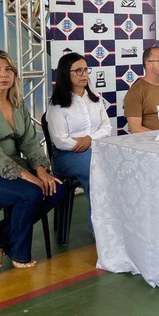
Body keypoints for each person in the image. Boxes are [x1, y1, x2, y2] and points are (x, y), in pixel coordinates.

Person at [0, 50, 67, 270]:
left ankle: (0, 237)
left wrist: (41, 170)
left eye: (8, 70)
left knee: (57, 187)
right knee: (31, 193)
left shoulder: (17, 104)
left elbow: (30, 142)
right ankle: (19, 252)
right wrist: (26, 176)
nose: (3, 75)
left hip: (13, 168)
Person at [46, 52, 112, 231]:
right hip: (67, 156)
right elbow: (60, 140)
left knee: (114, 168)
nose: (84, 74)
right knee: (97, 172)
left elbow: (107, 128)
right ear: (65, 74)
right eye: (78, 71)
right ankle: (100, 230)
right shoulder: (57, 104)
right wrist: (82, 144)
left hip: (94, 150)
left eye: (86, 70)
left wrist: (89, 139)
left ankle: (116, 223)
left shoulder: (95, 98)